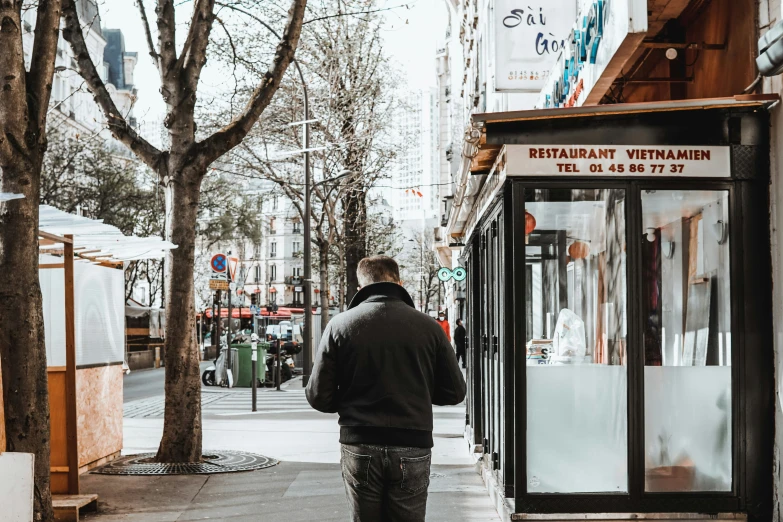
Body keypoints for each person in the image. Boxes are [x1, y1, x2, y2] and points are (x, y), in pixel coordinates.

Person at [306, 255, 466, 522]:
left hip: (359, 443)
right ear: (400, 283)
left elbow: (318, 396)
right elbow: (455, 392)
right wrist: (421, 392)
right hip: (412, 443)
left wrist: (348, 401)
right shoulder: (429, 327)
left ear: (360, 288)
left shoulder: (340, 325)